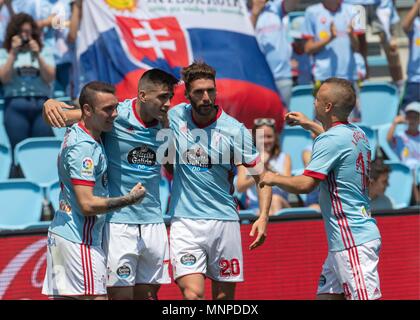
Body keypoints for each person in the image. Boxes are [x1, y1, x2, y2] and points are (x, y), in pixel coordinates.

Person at [43, 68, 179, 300]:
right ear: (143, 96)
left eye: (170, 97)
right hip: (116, 224)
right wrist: (48, 103)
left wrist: (167, 130)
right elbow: (70, 117)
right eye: (162, 97)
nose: (167, 104)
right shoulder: (116, 115)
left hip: (153, 221)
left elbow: (171, 168)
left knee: (148, 296)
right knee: (119, 296)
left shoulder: (167, 123)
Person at [260, 78, 382, 300]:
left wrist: (272, 177)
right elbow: (334, 140)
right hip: (346, 239)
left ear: (327, 107)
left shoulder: (329, 141)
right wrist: (310, 124)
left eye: (317, 99)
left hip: (352, 240)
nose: (313, 102)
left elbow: (307, 184)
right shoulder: (358, 134)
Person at [167, 61, 272, 300]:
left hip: (223, 222)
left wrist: (264, 216)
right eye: (199, 92)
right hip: (185, 222)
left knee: (224, 300)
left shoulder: (235, 130)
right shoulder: (175, 117)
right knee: (192, 295)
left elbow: (262, 178)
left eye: (210, 91)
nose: (206, 97)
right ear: (187, 95)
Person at [0, 13, 55, 152]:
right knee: (18, 149)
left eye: (28, 32)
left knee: (41, 149)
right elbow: (4, 78)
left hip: (42, 106)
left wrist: (38, 55)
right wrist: (13, 53)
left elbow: (50, 77)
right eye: (22, 32)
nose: (25, 36)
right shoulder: (4, 53)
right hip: (15, 104)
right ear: (14, 33)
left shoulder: (45, 51)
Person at [302, 0, 364, 120]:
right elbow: (308, 48)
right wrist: (330, 38)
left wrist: (351, 35)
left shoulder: (355, 10)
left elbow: (357, 48)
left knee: (350, 123)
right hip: (323, 78)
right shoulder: (312, 12)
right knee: (323, 121)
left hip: (349, 77)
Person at [236, 117, 291, 215]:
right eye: (261, 137)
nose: (265, 141)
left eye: (269, 136)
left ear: (275, 137)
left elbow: (289, 187)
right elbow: (240, 187)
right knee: (262, 210)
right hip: (255, 207)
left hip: (281, 205)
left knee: (275, 200)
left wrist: (271, 173)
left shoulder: (284, 158)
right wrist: (260, 170)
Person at [251, 0, 299, 108]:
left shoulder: (275, 7)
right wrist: (255, 13)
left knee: (283, 119)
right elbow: (244, 38)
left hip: (283, 77)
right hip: (259, 80)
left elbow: (292, 4)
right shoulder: (244, 10)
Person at [386, 102, 420, 205]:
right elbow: (388, 140)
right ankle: (417, 202)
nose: (412, 120)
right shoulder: (400, 136)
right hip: (407, 171)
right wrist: (394, 123)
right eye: (409, 117)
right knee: (411, 168)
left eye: (415, 117)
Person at [401, 0, 420, 109]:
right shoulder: (415, 23)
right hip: (415, 81)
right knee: (408, 116)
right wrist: (417, 4)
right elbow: (405, 26)